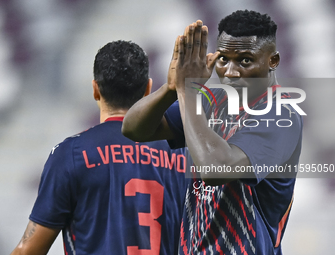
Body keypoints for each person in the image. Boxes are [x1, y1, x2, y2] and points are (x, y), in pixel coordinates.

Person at [122, 10, 303, 255]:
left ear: (272, 60)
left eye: (245, 60)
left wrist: (188, 91)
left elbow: (215, 169)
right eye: (223, 59)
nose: (230, 71)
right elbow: (133, 128)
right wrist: (171, 88)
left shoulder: (281, 116)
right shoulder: (210, 101)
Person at [10, 40, 188, 255]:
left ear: (95, 89)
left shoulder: (71, 154)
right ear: (148, 90)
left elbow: (28, 249)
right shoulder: (182, 154)